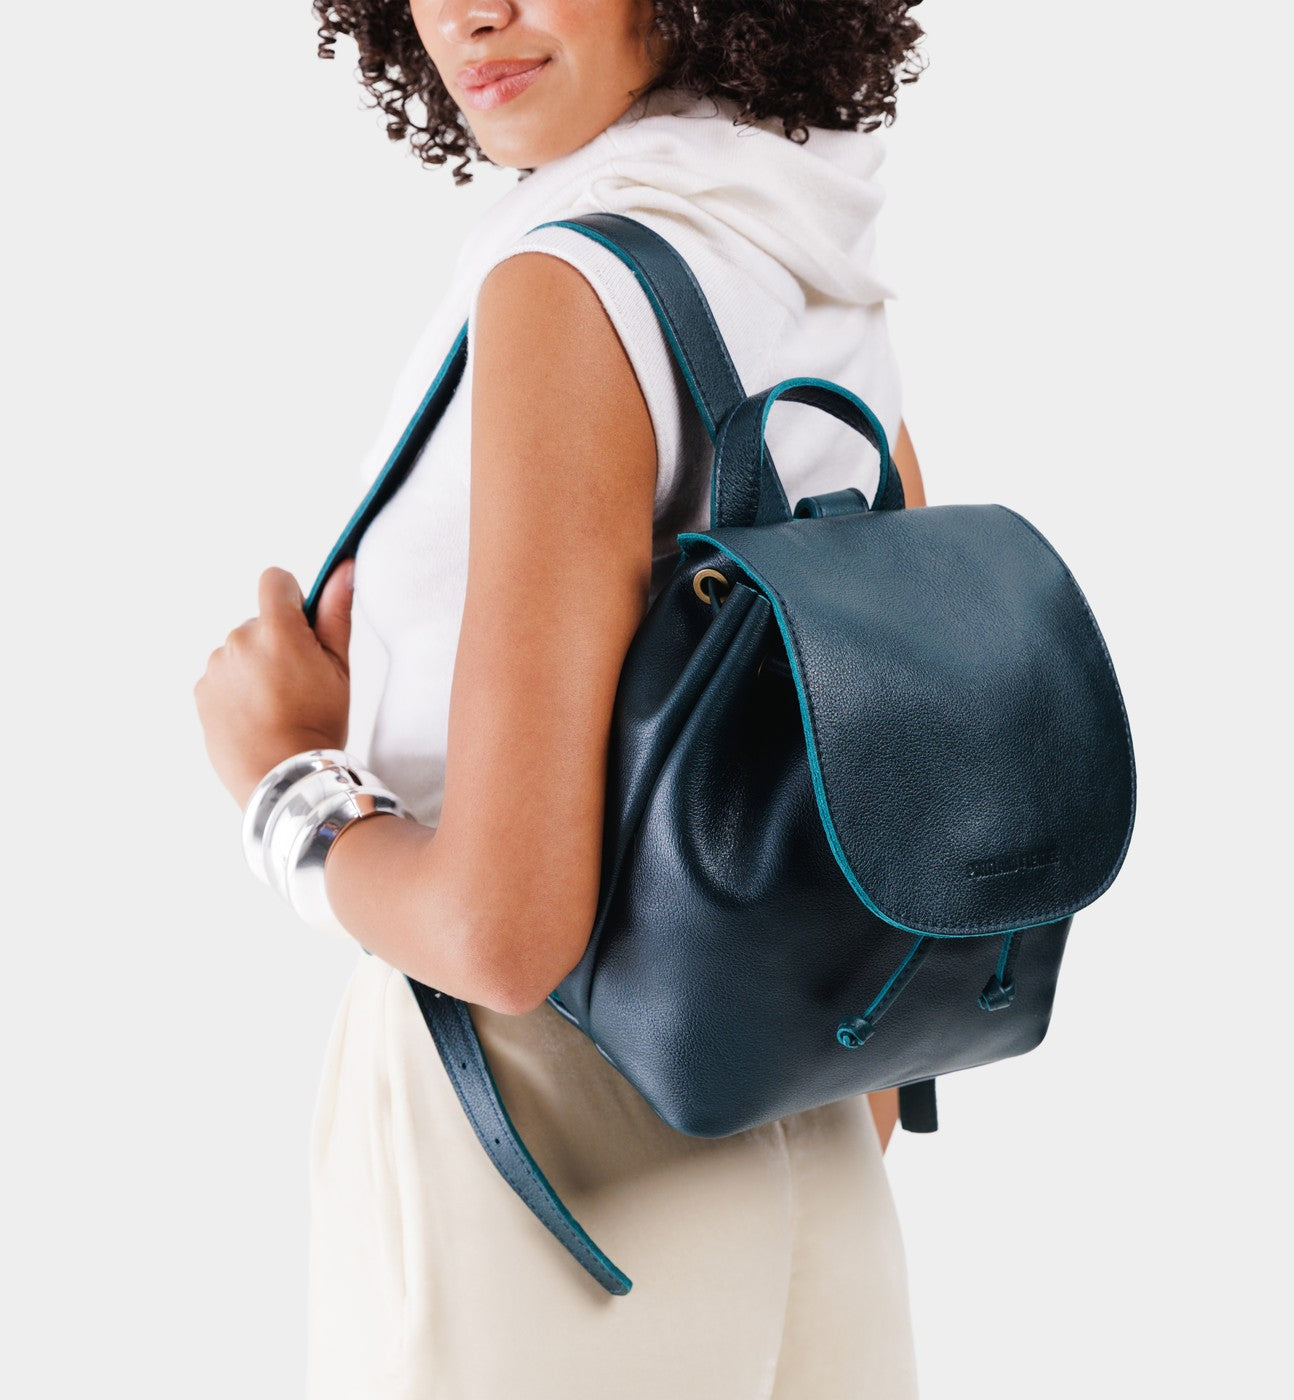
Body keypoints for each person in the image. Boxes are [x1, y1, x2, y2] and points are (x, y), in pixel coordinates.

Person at [194, 1, 931, 1395]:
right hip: (809, 1136)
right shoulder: (810, 245)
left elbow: (502, 933)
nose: (472, 11)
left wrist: (286, 772)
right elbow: (894, 795)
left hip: (536, 1153)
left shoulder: (568, 280)